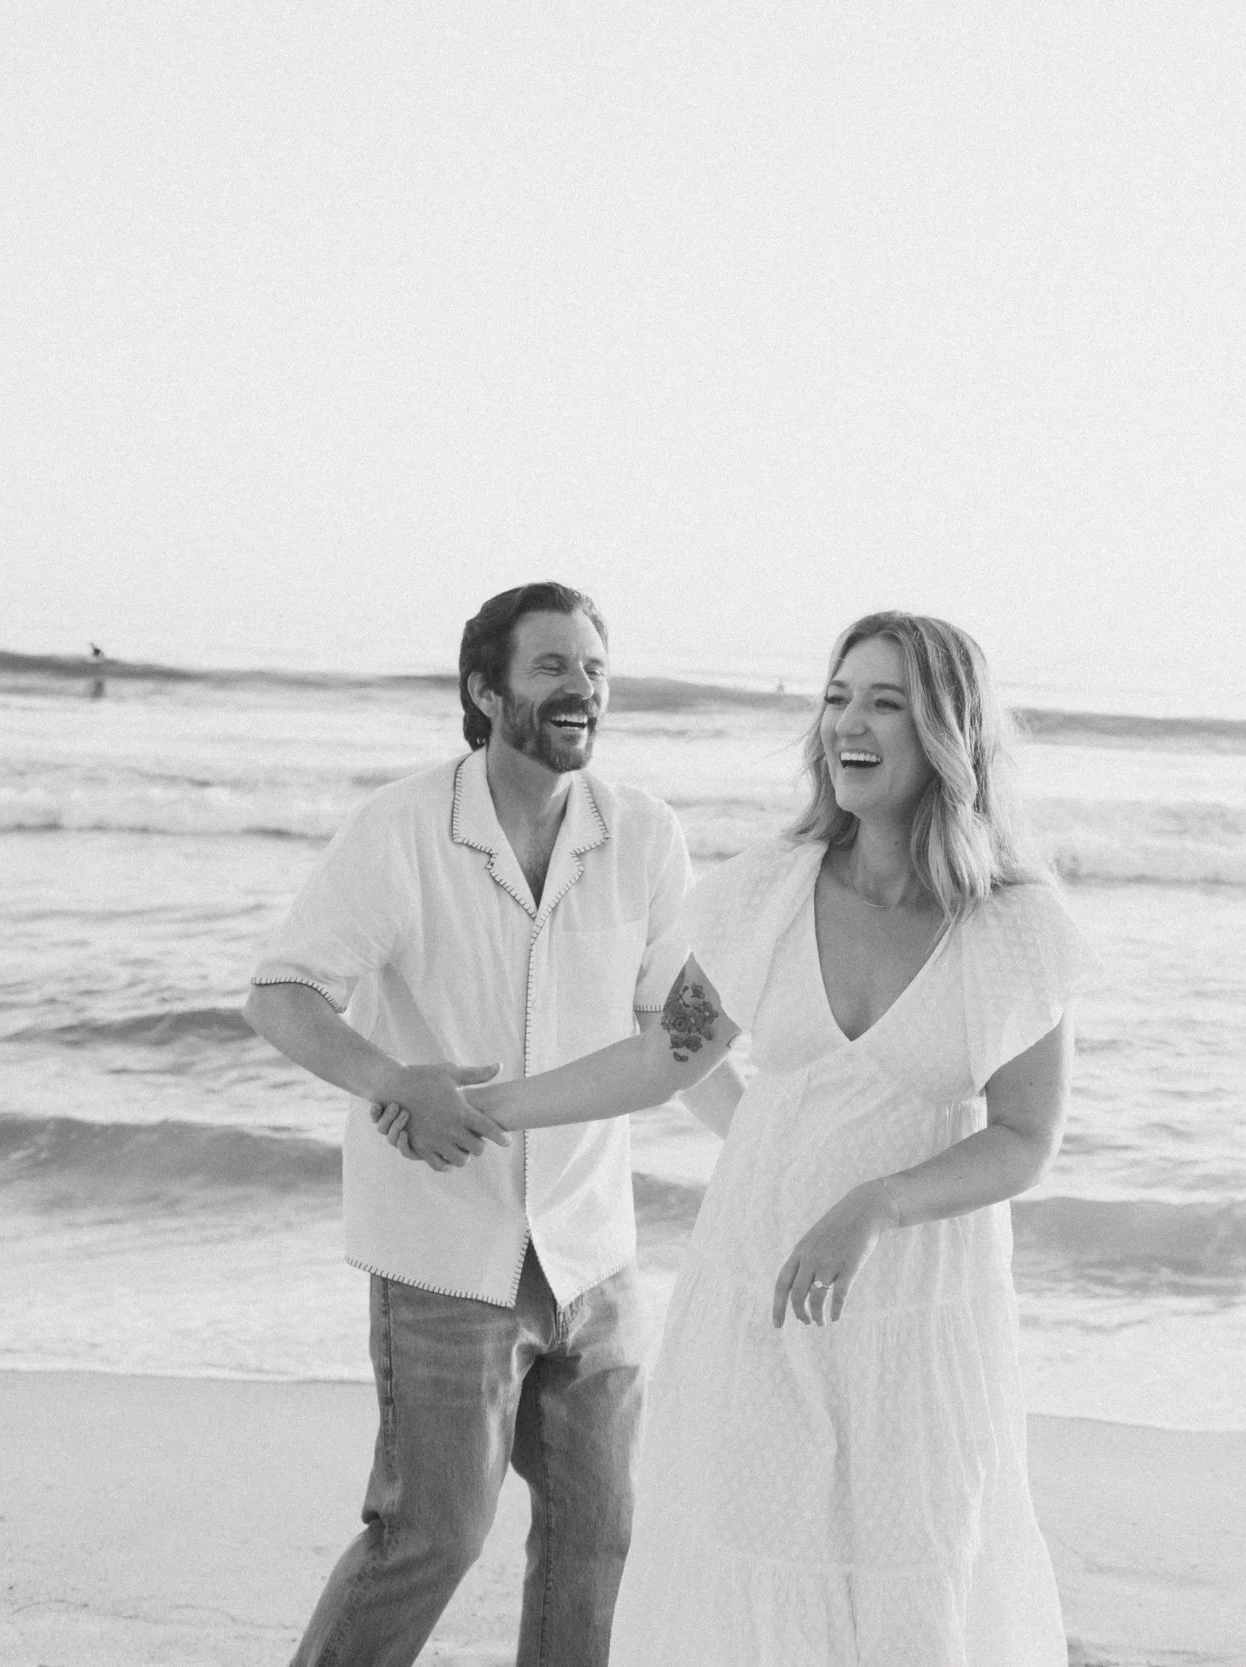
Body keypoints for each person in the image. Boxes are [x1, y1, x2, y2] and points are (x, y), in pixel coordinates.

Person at [384, 610, 1096, 1665]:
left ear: (950, 730)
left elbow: (1026, 1137)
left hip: (921, 1317)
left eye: (885, 702)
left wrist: (878, 1201)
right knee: (746, 1563)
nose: (848, 722)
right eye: (837, 696)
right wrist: (494, 1105)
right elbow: (666, 1056)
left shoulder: (1016, 926)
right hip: (757, 1287)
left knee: (917, 1567)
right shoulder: (770, 890)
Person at [243, 581, 741, 1667]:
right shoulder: (402, 829)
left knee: (599, 1534)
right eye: (553, 666)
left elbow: (680, 1025)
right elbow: (282, 993)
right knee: (432, 1534)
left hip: (594, 1257)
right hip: (444, 1252)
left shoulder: (645, 834)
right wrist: (394, 1078)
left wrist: (758, 1138)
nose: (583, 689)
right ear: (485, 689)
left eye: (596, 670)